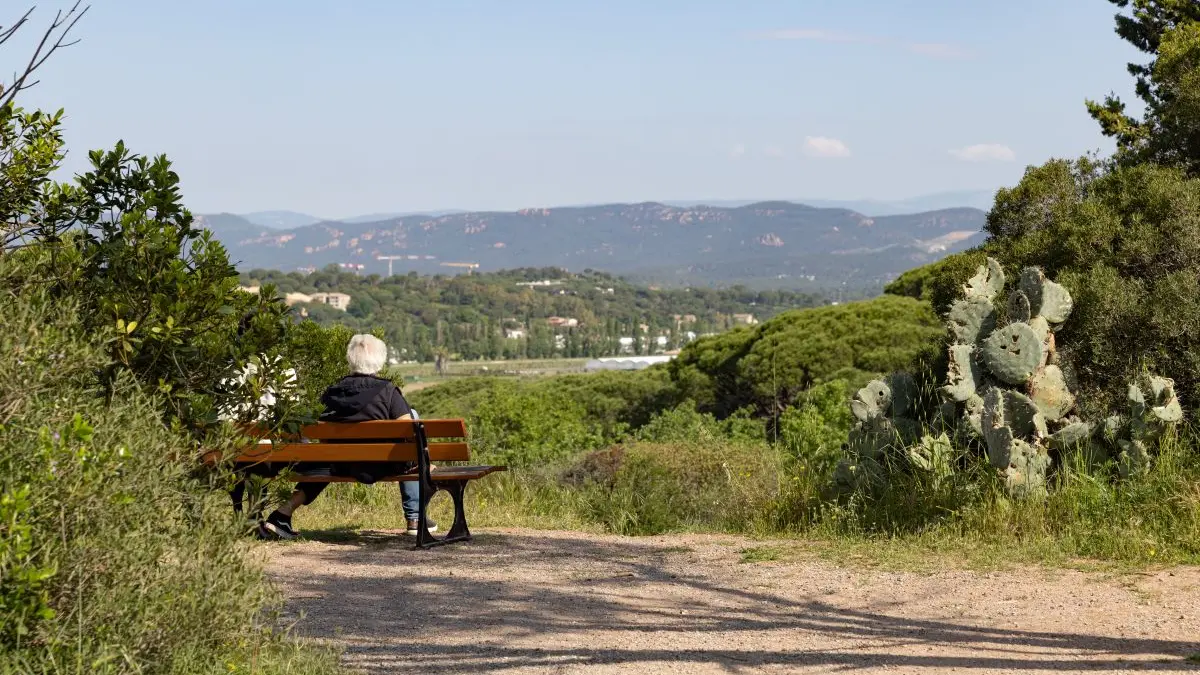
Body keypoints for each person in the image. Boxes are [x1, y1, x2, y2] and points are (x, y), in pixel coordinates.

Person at [260, 334, 437, 539]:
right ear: (380, 360)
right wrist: (424, 461)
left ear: (350, 359)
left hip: (340, 464)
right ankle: (415, 518)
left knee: (328, 457)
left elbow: (323, 439)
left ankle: (283, 512)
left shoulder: (333, 392)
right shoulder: (388, 391)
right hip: (383, 465)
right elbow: (409, 431)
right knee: (412, 417)